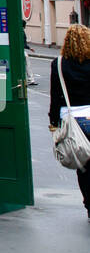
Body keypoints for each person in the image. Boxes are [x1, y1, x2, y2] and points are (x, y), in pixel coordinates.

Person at [49, 24, 90, 219]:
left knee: (82, 165)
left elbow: (56, 96)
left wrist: (53, 122)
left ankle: (89, 203)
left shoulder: (58, 64)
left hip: (71, 121)